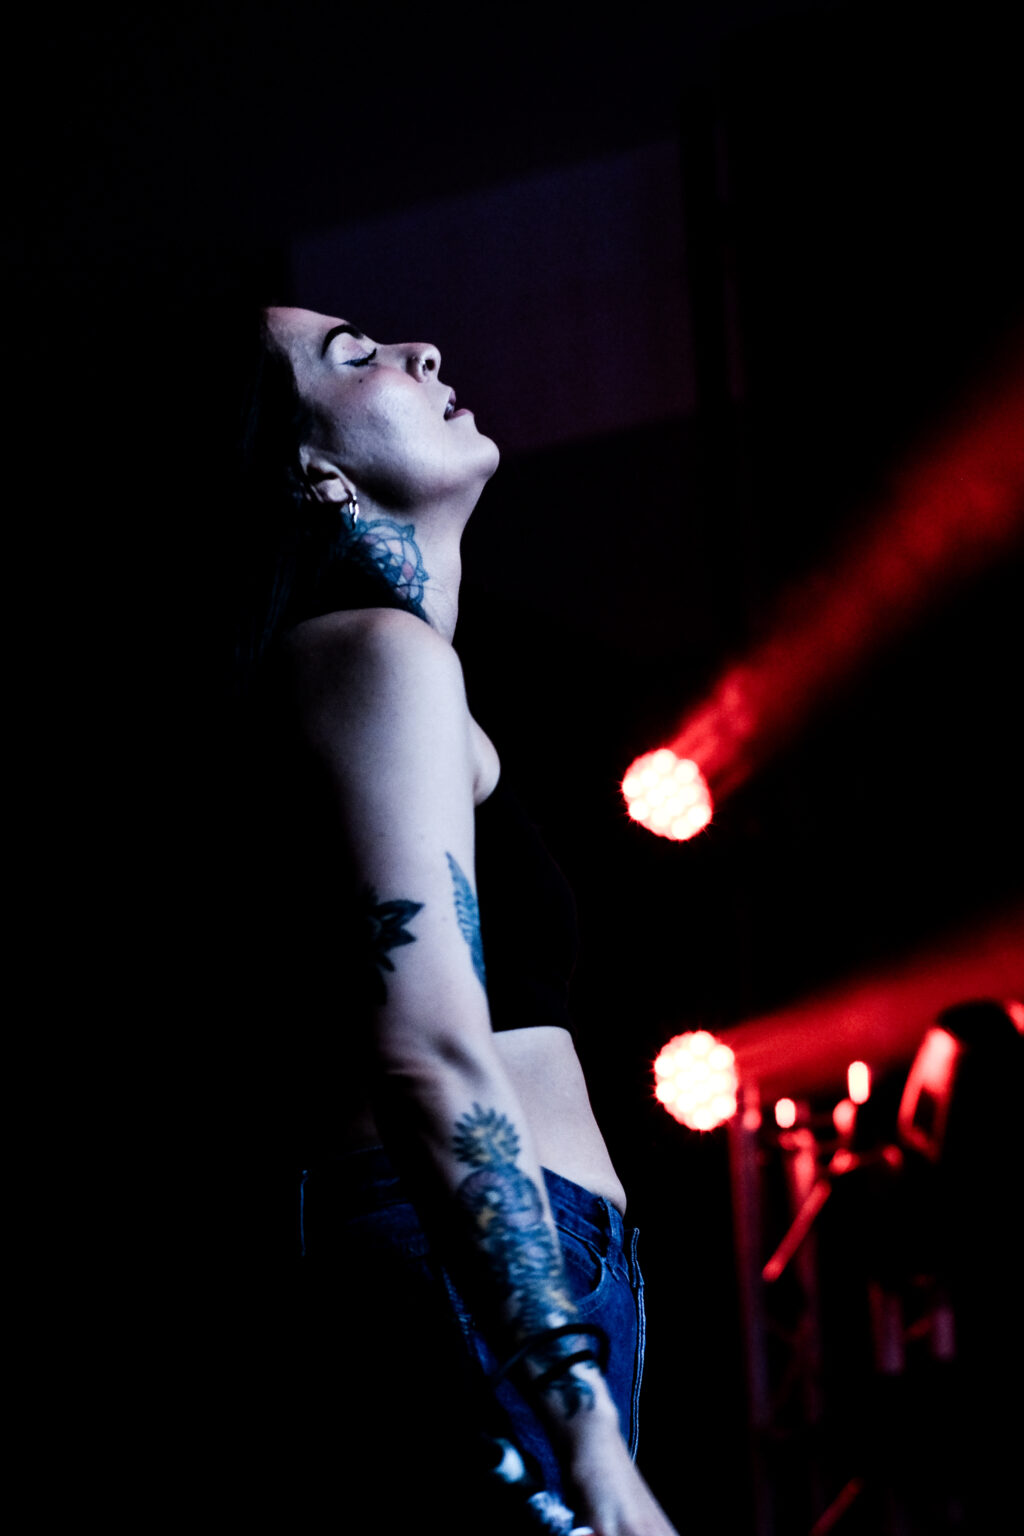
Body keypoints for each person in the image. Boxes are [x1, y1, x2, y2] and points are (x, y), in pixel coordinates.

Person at [224, 305, 681, 1535]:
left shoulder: (385, 666)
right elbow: (425, 1048)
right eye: (352, 356)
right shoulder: (373, 656)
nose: (418, 352)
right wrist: (584, 1432)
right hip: (462, 1276)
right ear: (310, 473)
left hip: (479, 1270)